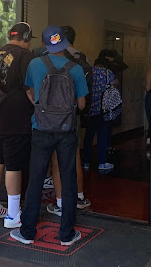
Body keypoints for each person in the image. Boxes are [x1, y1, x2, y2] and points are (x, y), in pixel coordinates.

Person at [10, 26, 88, 246]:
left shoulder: (35, 64)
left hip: (41, 128)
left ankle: (27, 232)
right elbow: (81, 104)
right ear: (64, 44)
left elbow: (30, 91)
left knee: (35, 179)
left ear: (45, 44)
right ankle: (66, 234)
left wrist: (40, 106)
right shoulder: (75, 68)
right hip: (67, 131)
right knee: (67, 178)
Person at [0, 22, 34, 228]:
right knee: (14, 164)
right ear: (26, 37)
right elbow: (30, 89)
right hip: (15, 117)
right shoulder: (25, 55)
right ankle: (13, 214)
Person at [46, 25, 91, 217]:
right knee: (75, 156)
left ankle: (61, 202)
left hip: (47, 118)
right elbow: (82, 102)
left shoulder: (41, 62)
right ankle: (79, 197)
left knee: (56, 159)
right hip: (72, 117)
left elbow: (31, 91)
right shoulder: (81, 61)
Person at [82, 58, 116, 171]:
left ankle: (86, 162)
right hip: (104, 109)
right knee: (102, 136)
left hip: (91, 109)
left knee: (88, 137)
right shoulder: (108, 73)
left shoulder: (89, 71)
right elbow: (113, 87)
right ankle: (102, 162)